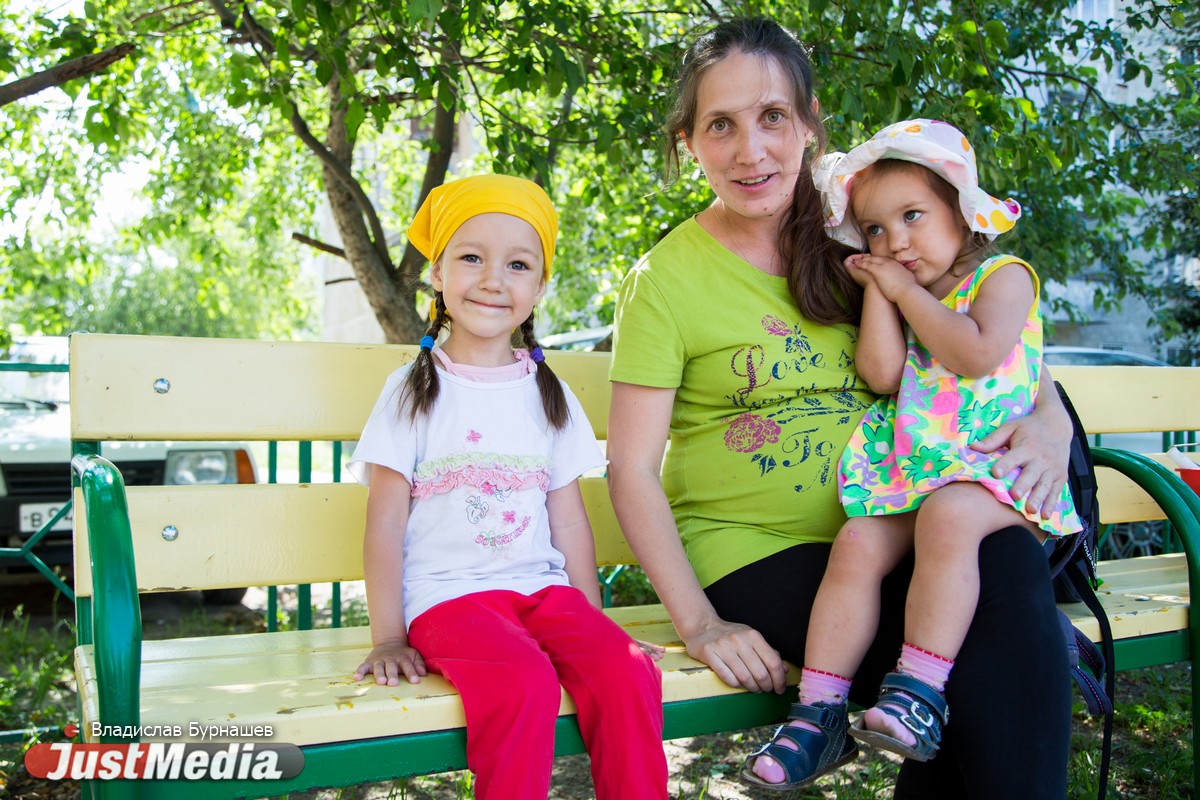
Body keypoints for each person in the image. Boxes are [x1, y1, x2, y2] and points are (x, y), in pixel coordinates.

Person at [607, 17, 1072, 799]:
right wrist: (699, 622)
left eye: (772, 118)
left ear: (810, 124)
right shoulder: (664, 280)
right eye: (721, 125)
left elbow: (982, 343)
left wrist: (1052, 417)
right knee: (992, 656)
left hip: (898, 523)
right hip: (759, 551)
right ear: (689, 141)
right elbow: (631, 469)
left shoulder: (862, 238)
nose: (751, 151)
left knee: (1002, 580)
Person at [741, 118, 1085, 789]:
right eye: (873, 229)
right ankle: (819, 714)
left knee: (950, 519)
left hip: (998, 478)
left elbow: (975, 352)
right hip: (926, 476)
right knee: (860, 542)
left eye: (912, 217)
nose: (894, 240)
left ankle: (918, 694)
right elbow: (881, 374)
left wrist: (900, 292)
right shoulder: (904, 294)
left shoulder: (1003, 277)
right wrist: (880, 294)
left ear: (961, 212)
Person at [349, 174, 668, 800]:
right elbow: (384, 524)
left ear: (539, 286)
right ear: (438, 273)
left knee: (625, 670)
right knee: (523, 681)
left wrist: (595, 629)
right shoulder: (412, 391)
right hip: (447, 599)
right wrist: (388, 635)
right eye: (472, 258)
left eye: (517, 264)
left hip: (542, 592)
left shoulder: (547, 393)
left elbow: (569, 521)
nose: (494, 279)